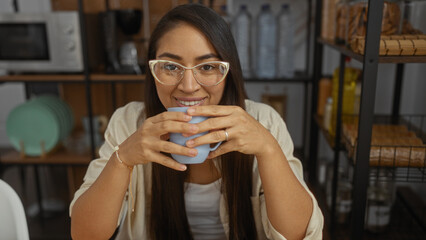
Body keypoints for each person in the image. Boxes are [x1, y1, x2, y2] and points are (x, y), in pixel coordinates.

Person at [70, 3, 323, 240]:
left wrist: (268, 149)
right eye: (170, 67)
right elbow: (84, 234)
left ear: (228, 71)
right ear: (152, 71)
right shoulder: (128, 123)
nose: (189, 87)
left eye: (207, 67)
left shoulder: (263, 121)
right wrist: (122, 159)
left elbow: (298, 234)